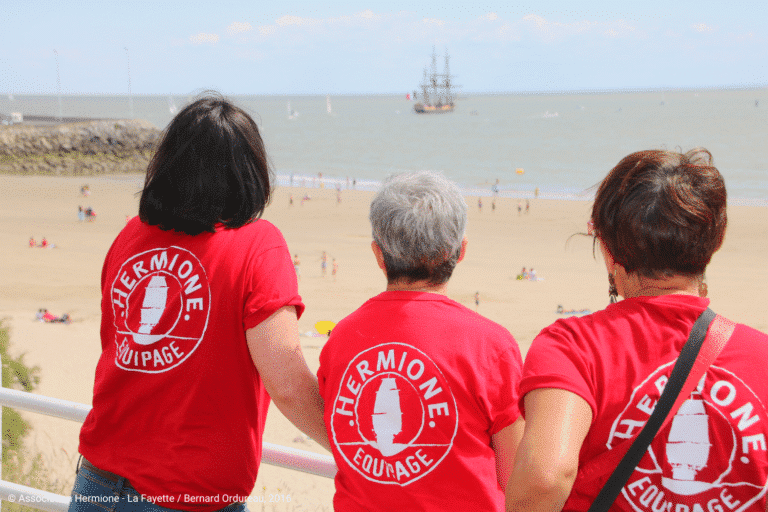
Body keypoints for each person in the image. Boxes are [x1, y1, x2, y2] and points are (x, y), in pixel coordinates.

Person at [69, 94, 329, 512]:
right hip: (188, 493)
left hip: (98, 483)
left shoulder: (130, 237)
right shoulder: (258, 245)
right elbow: (286, 380)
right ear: (250, 172)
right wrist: (356, 452)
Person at [506, 148, 768, 511]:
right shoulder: (761, 356)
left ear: (610, 253)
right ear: (714, 243)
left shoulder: (573, 347)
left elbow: (544, 479)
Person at [318, 171, 524, 511]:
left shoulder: (342, 337)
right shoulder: (491, 345)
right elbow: (516, 473)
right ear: (460, 251)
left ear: (378, 255)